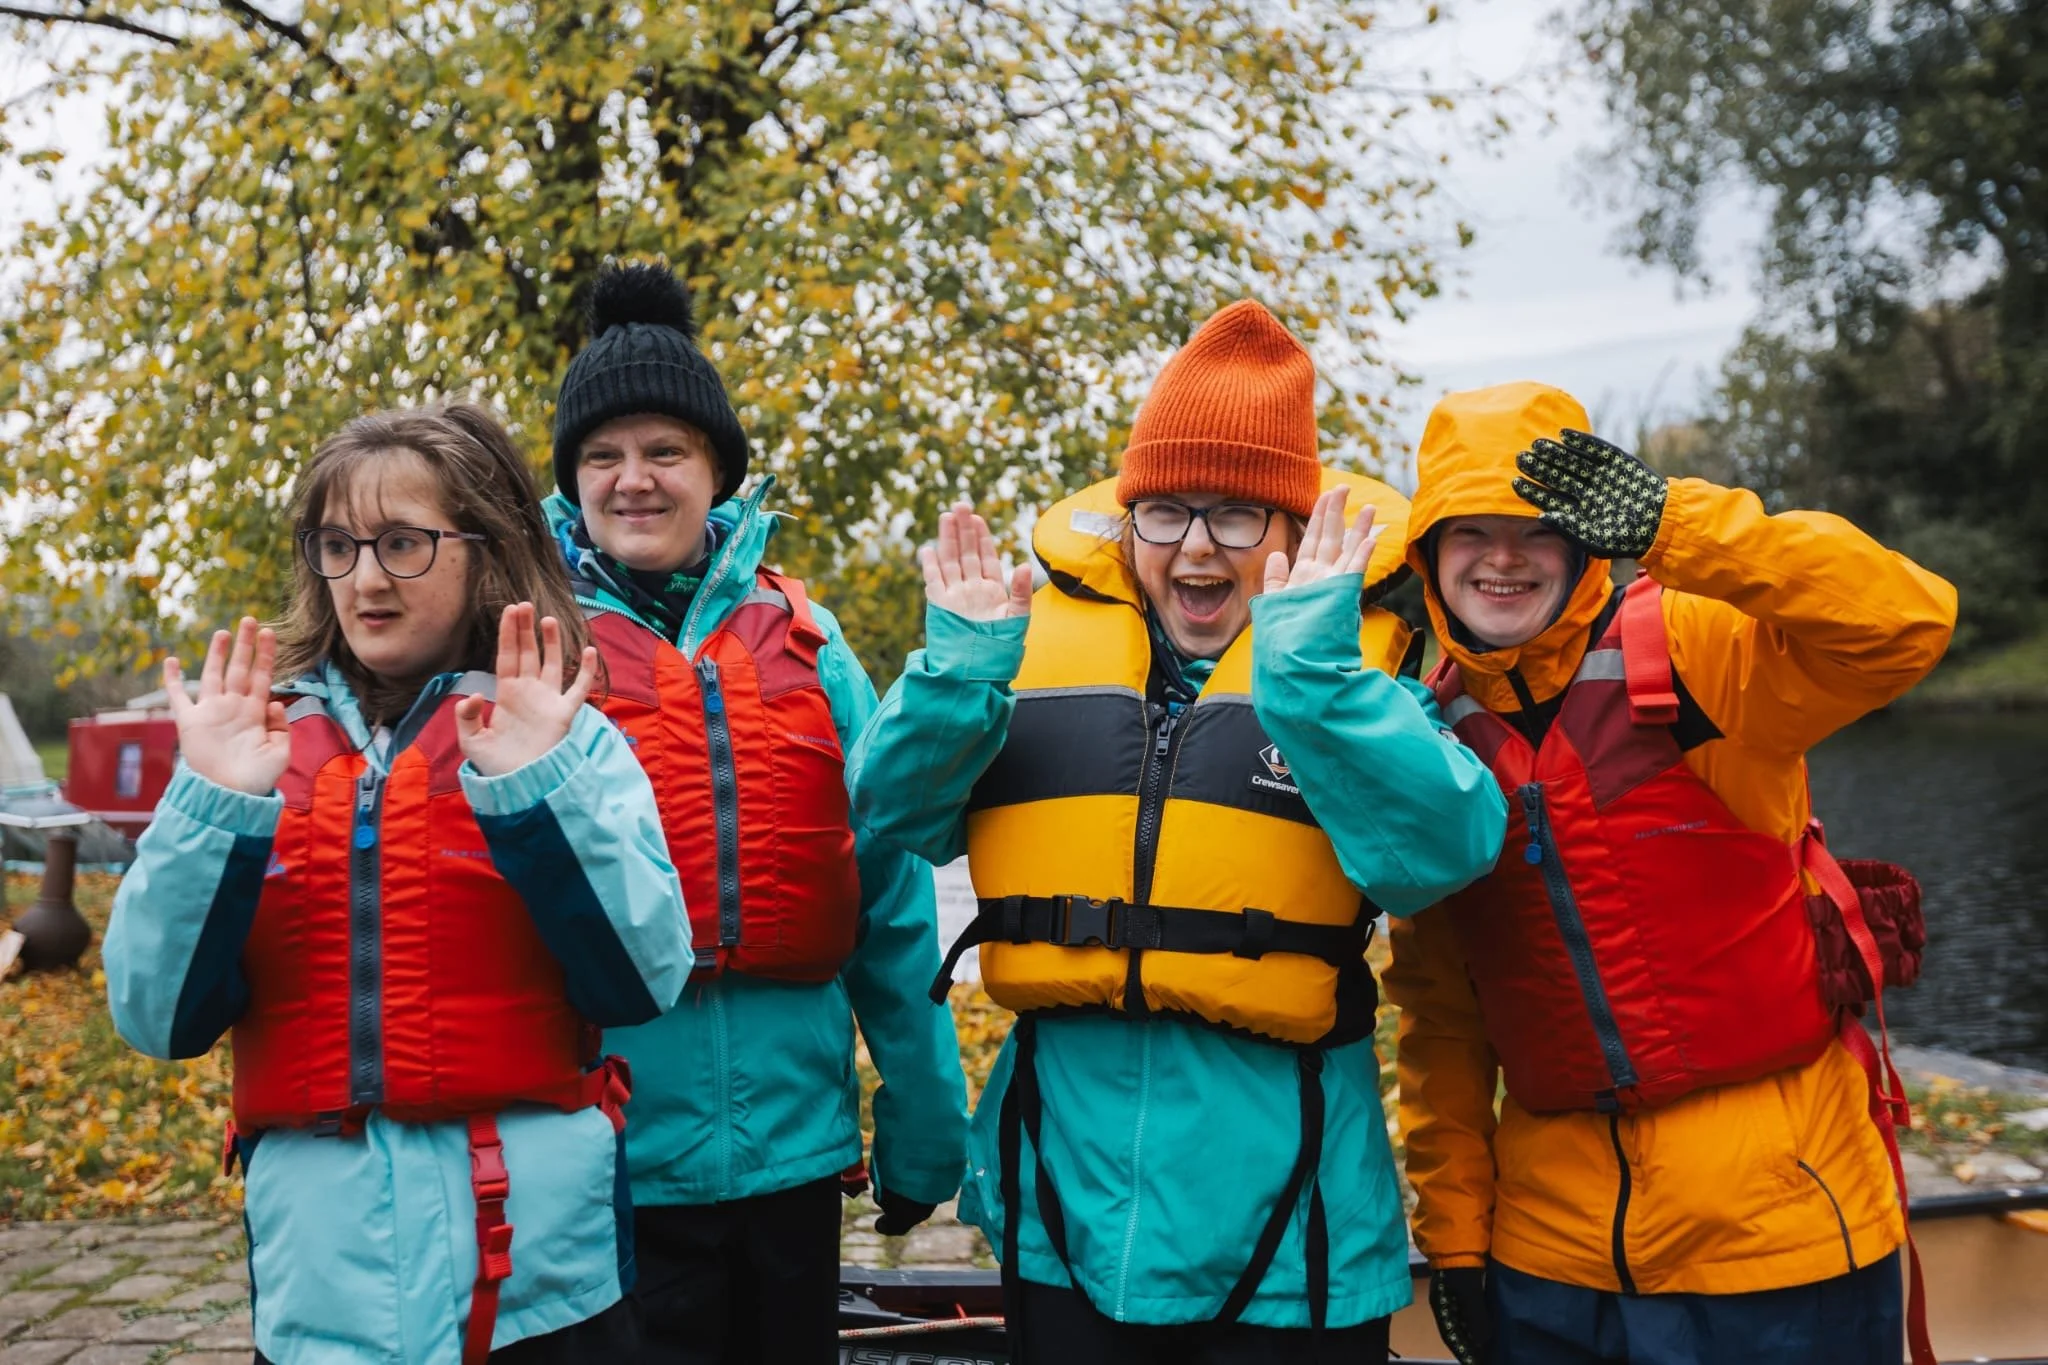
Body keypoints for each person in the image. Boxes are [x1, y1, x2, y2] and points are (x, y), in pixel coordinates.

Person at [847, 299, 1508, 1364]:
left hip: (1295, 1232)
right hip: (1064, 1207)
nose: (1196, 548)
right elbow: (892, 815)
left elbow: (1443, 851)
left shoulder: (1363, 679)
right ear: (1127, 525)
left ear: (1289, 535)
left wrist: (1317, 685)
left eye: (1237, 516)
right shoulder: (1019, 661)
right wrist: (953, 678)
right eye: (1164, 513)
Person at [102, 402, 693, 1364]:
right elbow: (153, 1017)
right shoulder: (253, 746)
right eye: (339, 545)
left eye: (404, 543)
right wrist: (214, 808)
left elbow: (643, 976)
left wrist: (538, 787)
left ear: (486, 549)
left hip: (543, 1290)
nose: (367, 579)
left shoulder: (561, 729)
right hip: (321, 1299)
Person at [1385, 381, 1958, 1365]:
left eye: (1536, 526)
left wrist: (1673, 524)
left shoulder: (1693, 647)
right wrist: (1457, 1238)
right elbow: (1440, 1026)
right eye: (1465, 530)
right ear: (1428, 560)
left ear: (1584, 543)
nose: (1502, 556)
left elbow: (1901, 623)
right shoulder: (1424, 741)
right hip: (1550, 1261)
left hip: (1780, 1238)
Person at [544, 260, 970, 1364]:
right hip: (601, 1154)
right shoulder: (525, 650)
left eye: (664, 453)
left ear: (717, 473)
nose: (633, 480)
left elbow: (887, 901)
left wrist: (922, 1126)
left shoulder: (811, 645)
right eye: (604, 456)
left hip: (791, 1148)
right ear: (572, 478)